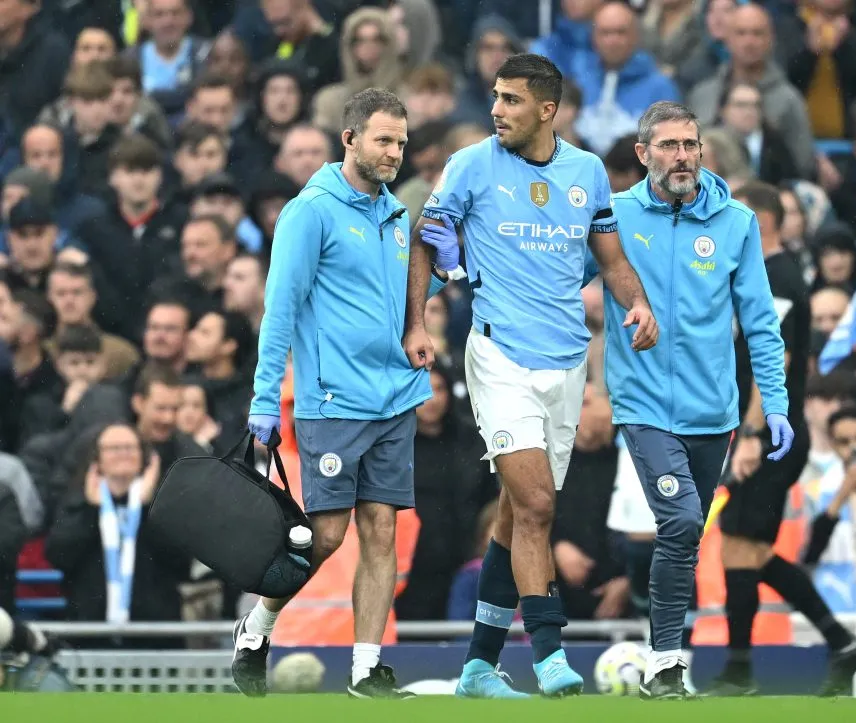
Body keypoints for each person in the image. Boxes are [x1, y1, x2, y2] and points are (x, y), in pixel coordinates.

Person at [404, 53, 657, 698]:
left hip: (568, 360)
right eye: (495, 97)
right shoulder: (469, 165)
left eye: (512, 100)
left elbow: (610, 255)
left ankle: (478, 667)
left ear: (548, 109)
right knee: (540, 505)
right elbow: (427, 239)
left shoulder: (586, 173)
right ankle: (549, 653)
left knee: (518, 514)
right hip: (498, 357)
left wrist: (638, 303)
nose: (497, 110)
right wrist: (417, 322)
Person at [239, 88, 455, 699]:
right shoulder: (310, 212)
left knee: (382, 531)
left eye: (402, 143)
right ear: (350, 139)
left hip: (395, 397)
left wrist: (439, 277)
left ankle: (366, 669)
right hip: (334, 401)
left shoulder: (393, 213)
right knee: (327, 537)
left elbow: (389, 303)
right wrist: (262, 399)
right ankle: (257, 626)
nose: (394, 153)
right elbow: (279, 310)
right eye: (383, 140)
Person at [585, 102, 792, 698]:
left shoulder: (737, 222)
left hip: (715, 413)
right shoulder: (615, 217)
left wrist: (773, 404)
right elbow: (559, 279)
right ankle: (666, 663)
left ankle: (668, 666)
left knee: (685, 536)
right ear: (643, 154)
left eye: (691, 144)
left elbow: (759, 321)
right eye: (670, 145)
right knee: (677, 522)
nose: (683, 156)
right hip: (644, 405)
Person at [711, 180, 856, 696]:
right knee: (744, 550)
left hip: (772, 432)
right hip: (768, 429)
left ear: (761, 220)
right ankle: (839, 643)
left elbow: (772, 360)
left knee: (741, 546)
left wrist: (755, 431)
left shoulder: (777, 278)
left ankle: (741, 671)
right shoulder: (765, 273)